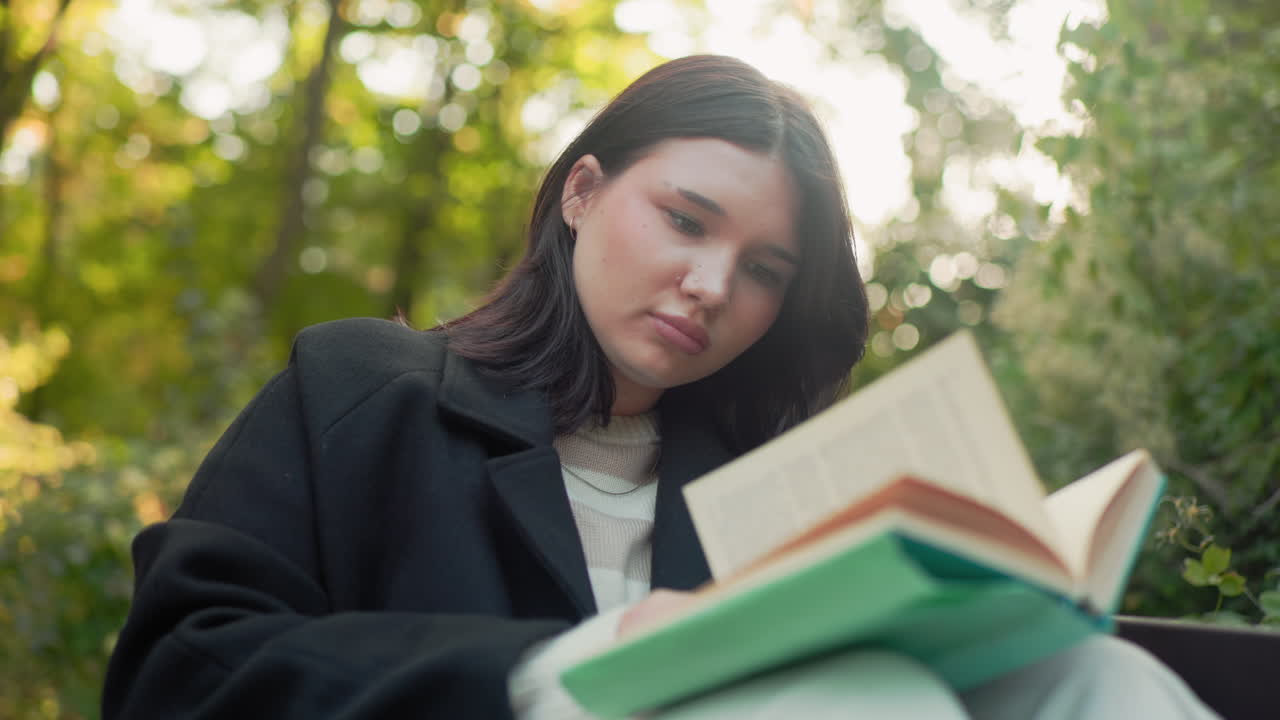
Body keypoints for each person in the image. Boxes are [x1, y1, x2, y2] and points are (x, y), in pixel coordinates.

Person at [102, 55, 1219, 719]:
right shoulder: (366, 385)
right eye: (685, 220)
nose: (710, 285)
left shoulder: (754, 488)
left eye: (765, 271)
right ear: (581, 192)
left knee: (1098, 675)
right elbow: (177, 671)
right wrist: (558, 667)